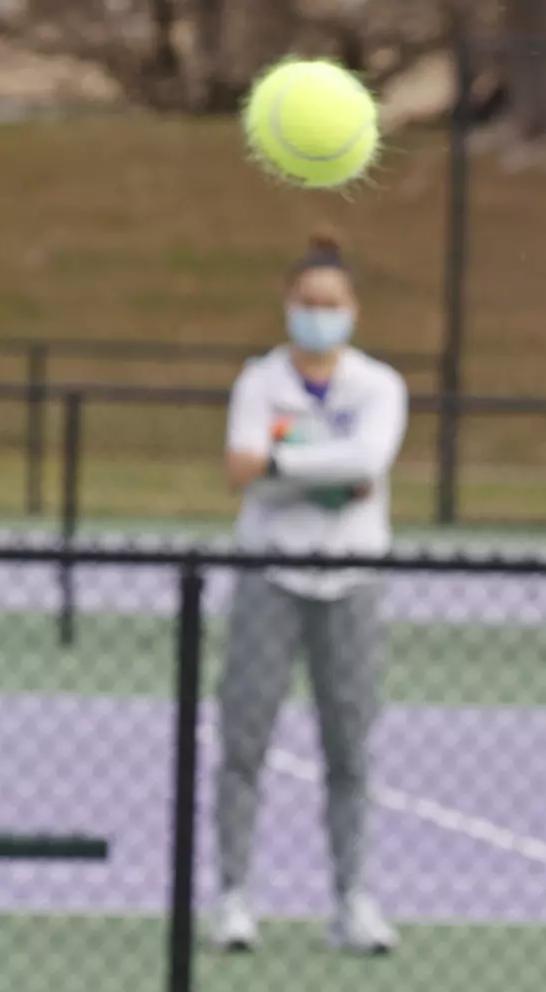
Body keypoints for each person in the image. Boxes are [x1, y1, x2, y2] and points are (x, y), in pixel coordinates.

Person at [212, 231, 408, 955]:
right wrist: (319, 468)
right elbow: (238, 465)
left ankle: (350, 899)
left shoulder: (379, 386)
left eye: (331, 304)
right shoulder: (260, 381)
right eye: (307, 303)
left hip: (352, 582)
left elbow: (367, 465)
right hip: (270, 576)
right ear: (288, 305)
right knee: (244, 740)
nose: (318, 314)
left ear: (352, 309)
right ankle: (233, 895)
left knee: (349, 747)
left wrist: (280, 459)